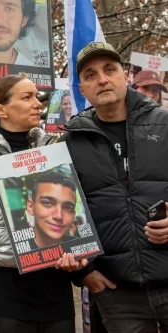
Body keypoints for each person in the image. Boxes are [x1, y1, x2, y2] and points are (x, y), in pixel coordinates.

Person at [0, 75, 86, 333]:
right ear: (0, 110)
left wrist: (77, 257)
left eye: (36, 96)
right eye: (27, 97)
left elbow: (73, 224)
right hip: (4, 301)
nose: (38, 104)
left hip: (56, 298)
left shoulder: (56, 160)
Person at [61, 41, 168, 333]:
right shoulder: (68, 144)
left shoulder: (165, 125)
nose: (102, 79)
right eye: (90, 75)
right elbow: (61, 217)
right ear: (82, 88)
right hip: (117, 294)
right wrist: (85, 273)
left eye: (110, 69)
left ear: (125, 76)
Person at [27, 171, 78, 248]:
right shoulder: (13, 251)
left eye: (68, 208)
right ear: (30, 207)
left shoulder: (82, 247)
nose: (58, 216)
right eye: (47, 203)